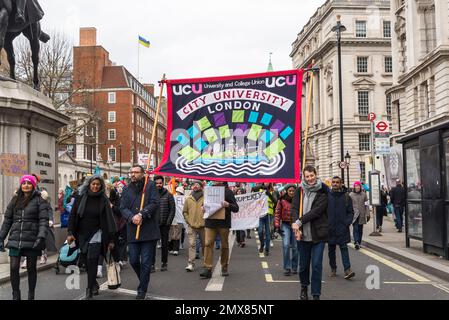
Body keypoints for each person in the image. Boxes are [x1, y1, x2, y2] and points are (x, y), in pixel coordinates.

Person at [66, 175, 117, 299]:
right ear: (89, 184)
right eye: (93, 184)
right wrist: (70, 233)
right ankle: (93, 283)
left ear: (101, 186)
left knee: (92, 260)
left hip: (97, 234)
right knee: (86, 262)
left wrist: (111, 239)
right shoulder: (80, 197)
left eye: (98, 184)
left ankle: (89, 289)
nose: (95, 186)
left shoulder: (104, 200)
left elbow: (110, 220)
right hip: (82, 234)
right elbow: (73, 216)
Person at [0, 175, 48, 300]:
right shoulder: (15, 200)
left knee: (31, 268)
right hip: (15, 238)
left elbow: (43, 220)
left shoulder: (40, 200)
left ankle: (31, 294)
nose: (26, 185)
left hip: (32, 239)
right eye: (24, 183)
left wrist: (41, 236)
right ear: (21, 185)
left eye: (29, 183)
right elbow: (7, 221)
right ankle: (16, 295)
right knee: (14, 267)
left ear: (33, 185)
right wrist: (1, 237)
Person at [120, 165, 160, 300]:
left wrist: (142, 214)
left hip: (148, 231)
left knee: (146, 262)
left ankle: (142, 289)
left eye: (136, 172)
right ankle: (144, 278)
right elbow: (123, 208)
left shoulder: (150, 186)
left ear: (143, 174)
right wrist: (132, 217)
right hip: (133, 230)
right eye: (131, 172)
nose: (133, 174)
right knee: (133, 260)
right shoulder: (126, 189)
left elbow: (155, 203)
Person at [291, 166, 328, 300]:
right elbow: (294, 208)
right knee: (303, 266)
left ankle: (316, 294)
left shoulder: (323, 192)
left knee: (317, 265)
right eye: (307, 176)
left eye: (312, 175)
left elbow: (316, 212)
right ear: (304, 177)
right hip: (303, 236)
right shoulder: (299, 191)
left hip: (318, 235)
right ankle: (304, 287)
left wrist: (299, 221)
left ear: (316, 175)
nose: (310, 178)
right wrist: (296, 226)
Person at [200, 181, 239, 279]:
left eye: (216, 178)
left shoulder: (228, 192)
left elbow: (236, 208)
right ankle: (207, 268)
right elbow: (203, 204)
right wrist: (202, 207)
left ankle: (224, 267)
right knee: (208, 244)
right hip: (210, 222)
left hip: (223, 223)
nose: (214, 180)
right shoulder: (209, 191)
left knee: (224, 245)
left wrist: (228, 205)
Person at [327, 176, 355, 279]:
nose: (335, 184)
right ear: (331, 183)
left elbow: (351, 212)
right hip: (330, 228)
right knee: (331, 250)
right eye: (333, 182)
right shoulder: (327, 196)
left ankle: (347, 269)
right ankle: (333, 269)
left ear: (341, 184)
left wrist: (346, 223)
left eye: (337, 182)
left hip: (342, 228)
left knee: (344, 248)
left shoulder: (346, 197)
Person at [274, 184, 298, 276]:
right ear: (287, 191)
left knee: (295, 248)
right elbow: (277, 213)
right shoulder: (281, 200)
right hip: (285, 225)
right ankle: (287, 267)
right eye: (290, 191)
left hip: (296, 225)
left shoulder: (298, 200)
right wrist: (277, 225)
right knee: (286, 245)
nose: (292, 192)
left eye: (293, 191)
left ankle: (294, 266)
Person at [152, 176, 175, 272]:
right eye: (156, 183)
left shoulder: (169, 195)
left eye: (160, 183)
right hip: (153, 224)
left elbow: (172, 210)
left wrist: (168, 223)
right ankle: (151, 264)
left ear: (163, 183)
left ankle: (164, 263)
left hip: (165, 224)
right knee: (152, 245)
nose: (158, 185)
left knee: (164, 245)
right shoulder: (151, 195)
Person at [183, 180, 205, 272]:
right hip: (191, 226)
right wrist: (189, 221)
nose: (195, 186)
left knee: (205, 245)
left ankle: (206, 263)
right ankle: (190, 263)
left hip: (203, 226)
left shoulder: (206, 198)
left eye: (197, 184)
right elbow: (185, 212)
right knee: (192, 244)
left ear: (201, 187)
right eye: (193, 184)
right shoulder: (188, 199)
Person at [350, 181, 369, 250]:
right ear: (354, 187)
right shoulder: (351, 195)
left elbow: (366, 205)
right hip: (354, 215)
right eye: (356, 186)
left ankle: (359, 242)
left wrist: (368, 214)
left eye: (358, 186)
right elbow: (349, 206)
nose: (357, 187)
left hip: (362, 214)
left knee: (360, 229)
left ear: (360, 187)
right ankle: (356, 242)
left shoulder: (364, 194)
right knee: (356, 229)